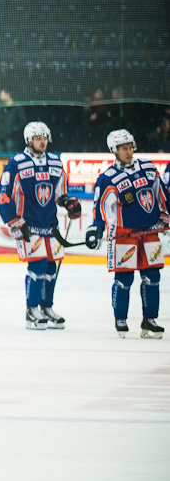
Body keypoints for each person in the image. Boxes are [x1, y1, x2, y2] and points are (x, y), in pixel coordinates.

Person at [0, 122, 81, 329]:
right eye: (37, 138)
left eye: (44, 137)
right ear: (28, 140)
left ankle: (46, 308)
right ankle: (31, 310)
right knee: (38, 266)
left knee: (51, 268)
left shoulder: (55, 162)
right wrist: (14, 220)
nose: (42, 141)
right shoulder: (17, 162)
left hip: (50, 225)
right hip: (28, 226)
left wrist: (69, 203)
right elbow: (3, 194)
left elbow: (59, 194)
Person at [86, 130, 168, 338]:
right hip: (124, 234)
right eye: (123, 148)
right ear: (114, 151)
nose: (129, 151)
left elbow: (162, 195)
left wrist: (167, 217)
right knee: (124, 279)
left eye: (130, 146)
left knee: (153, 277)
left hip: (150, 233)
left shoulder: (149, 168)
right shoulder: (108, 178)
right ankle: (120, 318)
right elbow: (100, 207)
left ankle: (149, 320)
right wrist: (96, 228)